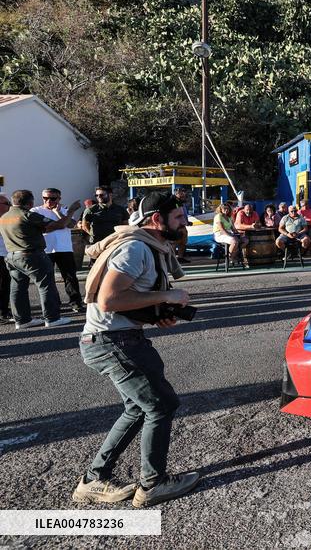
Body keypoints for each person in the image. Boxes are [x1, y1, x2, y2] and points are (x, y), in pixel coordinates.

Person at [74, 191, 199, 507]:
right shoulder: (135, 248)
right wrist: (167, 297)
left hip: (119, 339)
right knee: (161, 405)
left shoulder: (148, 246)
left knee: (137, 407)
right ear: (157, 219)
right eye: (179, 218)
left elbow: (126, 300)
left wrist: (156, 316)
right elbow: (108, 300)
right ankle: (153, 485)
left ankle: (93, 479)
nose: (184, 223)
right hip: (113, 343)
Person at [0, 190, 82, 330]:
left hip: (12, 256)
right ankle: (52, 318)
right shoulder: (28, 215)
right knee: (46, 285)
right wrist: (71, 211)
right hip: (31, 255)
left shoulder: (4, 217)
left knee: (17, 288)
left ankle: (22, 320)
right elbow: (59, 225)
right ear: (30, 202)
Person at [31, 188, 85, 314]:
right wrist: (62, 222)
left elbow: (72, 224)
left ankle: (76, 302)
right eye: (45, 198)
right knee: (48, 278)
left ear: (59, 199)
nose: (48, 201)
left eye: (52, 198)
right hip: (46, 249)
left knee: (70, 277)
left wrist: (59, 213)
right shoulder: (36, 211)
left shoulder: (64, 210)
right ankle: (54, 303)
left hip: (64, 248)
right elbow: (45, 228)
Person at [0, 194, 13, 323]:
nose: (10, 206)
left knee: (6, 284)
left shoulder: (7, 218)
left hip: (7, 255)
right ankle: (3, 312)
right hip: (1, 255)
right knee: (3, 284)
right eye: (7, 204)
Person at [172, 187, 191, 264]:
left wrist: (187, 221)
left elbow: (183, 214)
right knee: (175, 243)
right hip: (176, 226)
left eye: (183, 192)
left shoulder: (181, 203)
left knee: (183, 242)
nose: (183, 194)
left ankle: (180, 257)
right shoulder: (174, 203)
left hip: (183, 226)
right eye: (181, 193)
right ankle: (172, 259)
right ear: (176, 194)